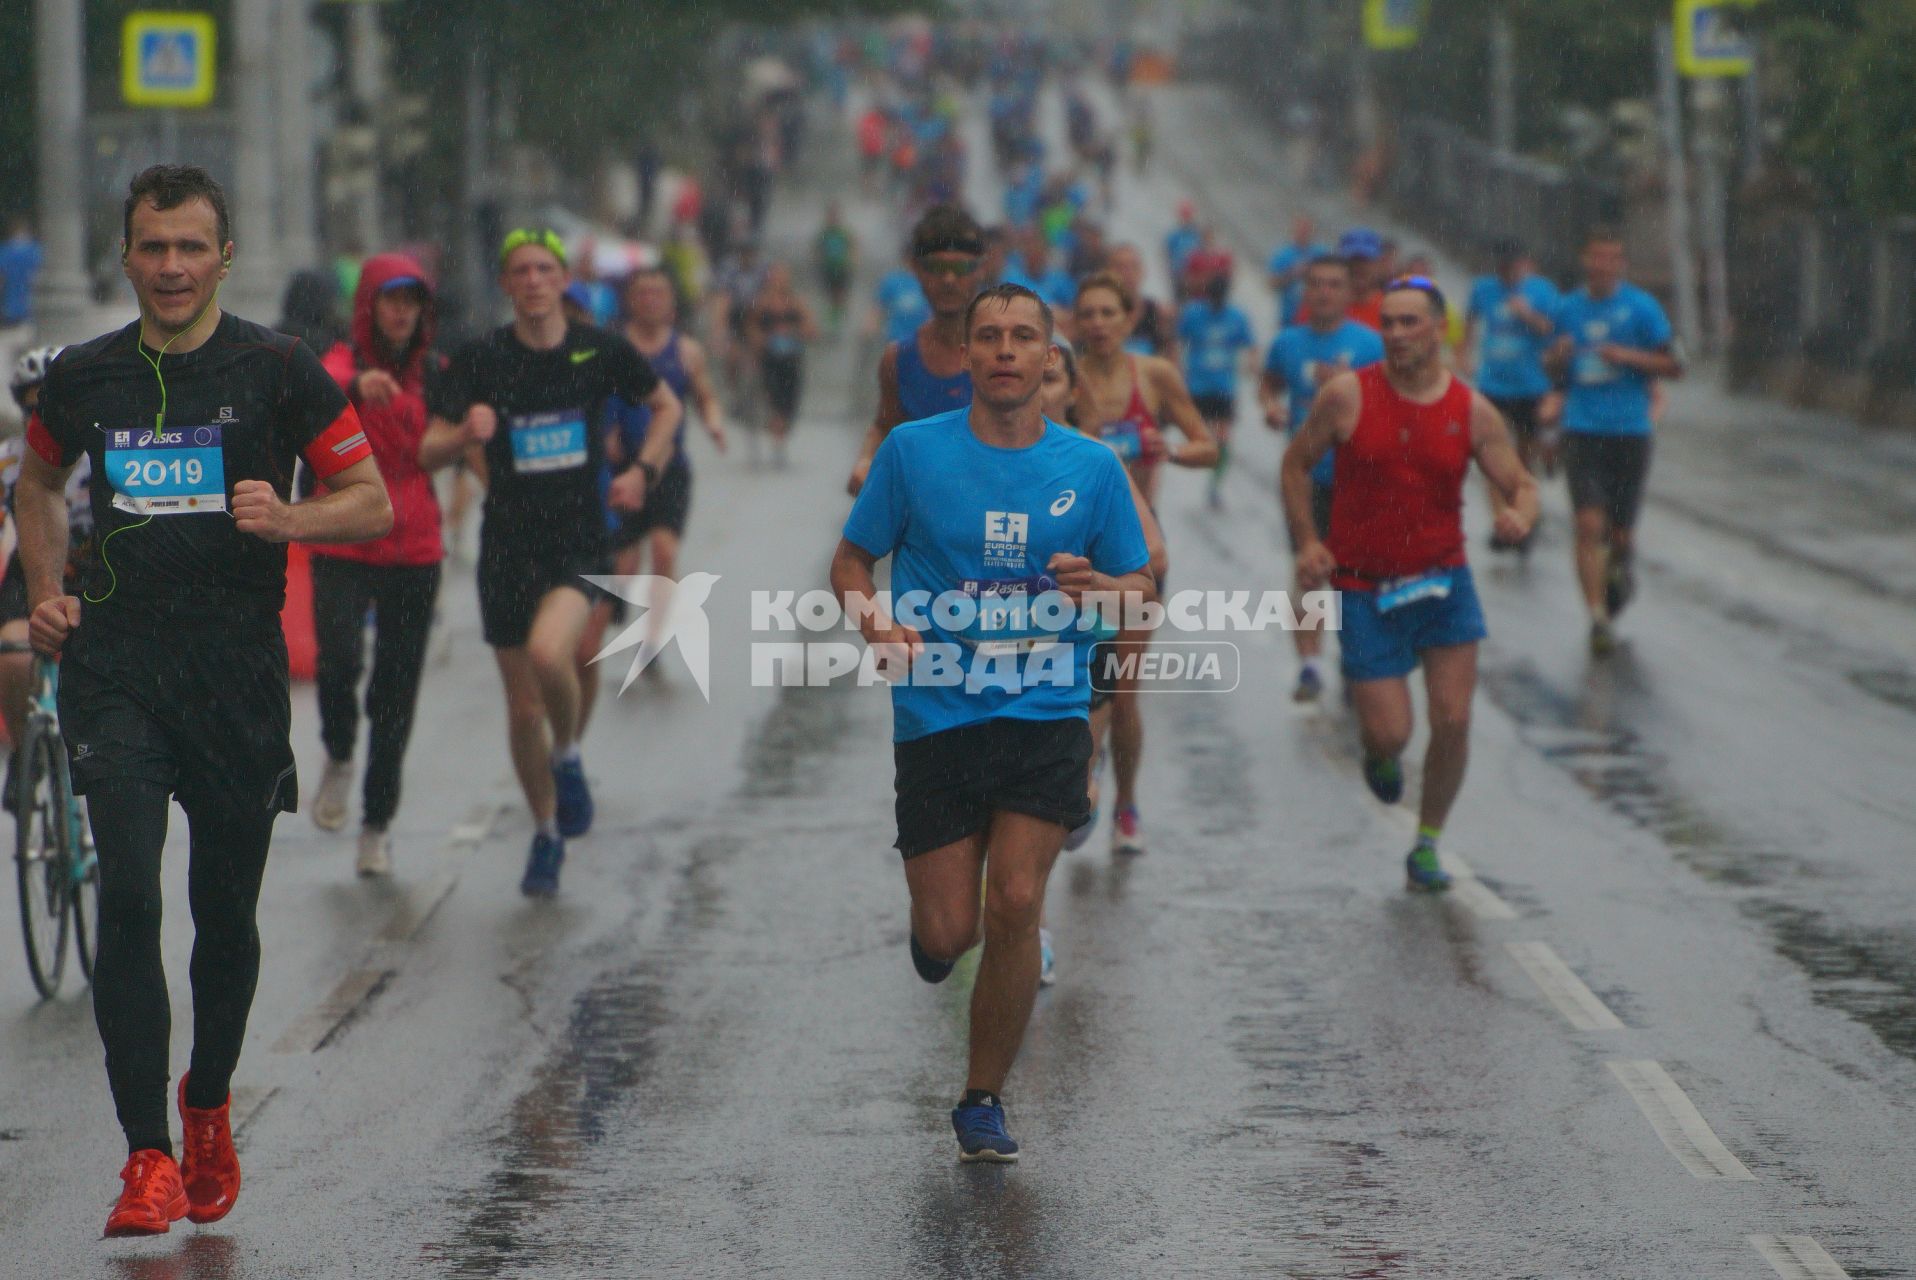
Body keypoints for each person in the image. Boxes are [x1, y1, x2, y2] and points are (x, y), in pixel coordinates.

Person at [18, 165, 391, 1237]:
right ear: (124, 257)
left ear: (224, 254)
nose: (171, 267)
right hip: (119, 669)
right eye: (152, 247)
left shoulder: (279, 369)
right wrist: (47, 593)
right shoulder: (83, 377)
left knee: (222, 915)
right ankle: (144, 1156)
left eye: (191, 247)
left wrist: (292, 518)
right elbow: (38, 485)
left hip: (233, 674)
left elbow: (368, 500)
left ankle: (208, 1100)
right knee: (129, 897)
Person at [831, 284, 1153, 1162]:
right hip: (936, 707)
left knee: (1016, 900)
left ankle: (982, 1099)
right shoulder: (911, 451)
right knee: (949, 934)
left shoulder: (1090, 467)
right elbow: (852, 562)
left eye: (1022, 337)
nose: (1005, 351)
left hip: (1046, 707)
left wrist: (1105, 591)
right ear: (967, 357)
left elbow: (1140, 589)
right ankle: (936, 937)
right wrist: (874, 622)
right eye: (989, 338)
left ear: (1051, 357)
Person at [421, 228, 683, 896]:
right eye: (521, 272)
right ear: (507, 285)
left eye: (545, 269)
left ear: (564, 280)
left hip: (577, 539)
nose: (534, 281)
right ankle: (544, 834)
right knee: (518, 708)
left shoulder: (598, 349)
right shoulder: (481, 359)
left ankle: (567, 756)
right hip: (507, 544)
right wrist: (462, 435)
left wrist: (644, 472)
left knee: (548, 656)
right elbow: (425, 451)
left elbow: (665, 407)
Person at [1280, 277, 1537, 890]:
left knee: (1451, 719)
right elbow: (1295, 464)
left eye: (1409, 323)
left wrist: (1519, 516)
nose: (1395, 334)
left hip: (1444, 581)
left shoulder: (1471, 410)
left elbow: (1521, 483)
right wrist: (1309, 542)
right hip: (1365, 589)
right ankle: (1378, 753)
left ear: (1438, 330)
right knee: (1391, 733)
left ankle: (1427, 842)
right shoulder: (1347, 396)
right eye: (1388, 322)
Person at [308, 255, 447, 877]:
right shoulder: (341, 362)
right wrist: (354, 387)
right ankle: (338, 754)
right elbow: (312, 390)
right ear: (369, 304)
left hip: (412, 548)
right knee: (338, 663)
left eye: (410, 301)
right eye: (389, 299)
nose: (400, 311)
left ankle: (377, 822)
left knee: (395, 693)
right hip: (341, 537)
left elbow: (449, 440)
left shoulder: (434, 374)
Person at [1072, 271, 1217, 856]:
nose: (1099, 324)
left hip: (1136, 554)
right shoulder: (1061, 382)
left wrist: (1171, 451)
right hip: (1073, 553)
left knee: (1122, 691)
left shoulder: (1153, 377)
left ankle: (1124, 802)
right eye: (1089, 314)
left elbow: (1208, 446)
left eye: (1110, 313)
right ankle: (1082, 773)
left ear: (1130, 320)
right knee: (1079, 688)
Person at [578, 266, 725, 723]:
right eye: (642, 293)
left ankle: (652, 641)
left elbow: (703, 396)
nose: (651, 301)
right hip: (621, 470)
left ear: (671, 302)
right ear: (630, 301)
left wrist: (715, 423)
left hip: (669, 469)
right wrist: (603, 434)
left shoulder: (686, 351)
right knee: (623, 563)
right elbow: (591, 399)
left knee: (664, 550)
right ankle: (618, 621)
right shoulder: (612, 348)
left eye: (659, 293)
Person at [1544, 228, 1683, 655]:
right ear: (1586, 260)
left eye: (1612, 258)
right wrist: (1558, 358)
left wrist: (1628, 357)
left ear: (1620, 264)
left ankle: (1620, 567)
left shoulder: (1641, 309)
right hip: (1583, 430)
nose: (1603, 266)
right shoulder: (1567, 309)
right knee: (1588, 525)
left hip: (1629, 431)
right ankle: (1597, 618)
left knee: (1620, 533)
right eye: (1596, 257)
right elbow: (1552, 374)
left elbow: (1675, 365)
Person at [1259, 256, 1384, 702]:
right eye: (1316, 284)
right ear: (1305, 292)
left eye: (1334, 284)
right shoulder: (1289, 343)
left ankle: (1357, 660)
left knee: (1356, 577)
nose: (1325, 292)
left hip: (1359, 481)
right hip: (1306, 477)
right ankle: (1310, 665)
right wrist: (1271, 406)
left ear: (1350, 293)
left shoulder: (1371, 345)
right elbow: (1269, 381)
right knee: (1310, 570)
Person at [848, 205, 987, 495]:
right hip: (925, 518)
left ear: (980, 271)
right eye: (936, 268)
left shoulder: (1009, 353)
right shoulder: (898, 359)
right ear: (916, 270)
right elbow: (884, 427)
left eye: (960, 268)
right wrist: (864, 463)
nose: (948, 279)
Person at [0, 347, 91, 786]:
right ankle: (25, 755)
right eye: (35, 408)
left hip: (96, 572)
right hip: (33, 570)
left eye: (56, 403)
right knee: (13, 653)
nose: (46, 416)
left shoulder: (103, 448)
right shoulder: (9, 459)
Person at [1463, 239, 1559, 553]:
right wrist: (1463, 353)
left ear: (1523, 263)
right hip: (1494, 384)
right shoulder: (1483, 289)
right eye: (1502, 266)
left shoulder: (1541, 292)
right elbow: (1469, 324)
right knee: (1492, 457)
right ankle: (1501, 520)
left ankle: (1524, 514)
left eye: (1513, 265)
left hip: (1531, 386)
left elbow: (1554, 333)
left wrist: (1528, 315)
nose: (1507, 272)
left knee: (1523, 459)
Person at [1176, 273, 1257, 509]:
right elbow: (1177, 341)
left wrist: (1253, 364)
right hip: (1197, 385)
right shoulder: (1193, 314)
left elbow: (1250, 345)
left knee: (1222, 437)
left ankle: (1215, 484)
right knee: (1198, 435)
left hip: (1224, 386)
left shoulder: (1237, 317)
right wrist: (1175, 370)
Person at [749, 262, 818, 468]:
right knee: (774, 402)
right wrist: (762, 340)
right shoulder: (762, 303)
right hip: (770, 360)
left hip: (791, 359)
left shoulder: (796, 303)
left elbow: (810, 328)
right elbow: (751, 326)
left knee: (789, 403)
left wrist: (795, 332)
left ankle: (780, 436)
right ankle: (777, 443)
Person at [1109, 242, 1176, 362]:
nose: (1127, 273)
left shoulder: (1157, 313)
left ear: (1142, 271)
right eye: (1121, 267)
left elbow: (1170, 361)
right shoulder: (1099, 314)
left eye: (1133, 267)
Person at [1267, 215, 1325, 330]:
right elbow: (1271, 284)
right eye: (1300, 229)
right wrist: (1292, 273)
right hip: (1289, 320)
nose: (1303, 233)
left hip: (1316, 320)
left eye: (1306, 229)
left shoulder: (1322, 253)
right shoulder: (1282, 255)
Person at [814, 202, 857, 335]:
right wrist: (819, 262)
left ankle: (840, 320)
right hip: (828, 268)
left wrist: (852, 261)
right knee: (830, 296)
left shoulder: (843, 233)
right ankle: (831, 321)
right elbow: (817, 249)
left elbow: (853, 246)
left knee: (841, 295)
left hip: (842, 268)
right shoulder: (824, 233)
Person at [0, 215, 44, 332]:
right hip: (30, 302)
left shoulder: (5, 250)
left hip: (10, 303)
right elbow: (39, 273)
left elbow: (2, 277)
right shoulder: (35, 250)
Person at [1163, 200, 1201, 301]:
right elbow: (1168, 253)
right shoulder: (1174, 235)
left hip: (1194, 276)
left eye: (1188, 215)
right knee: (1179, 299)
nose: (1186, 219)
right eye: (1184, 215)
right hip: (1178, 273)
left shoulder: (1197, 234)